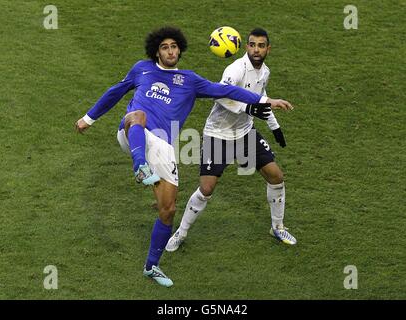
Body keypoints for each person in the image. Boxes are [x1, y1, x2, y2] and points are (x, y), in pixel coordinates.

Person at [75, 26, 293, 288]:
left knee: (167, 210)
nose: (170, 51)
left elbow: (226, 91)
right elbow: (115, 92)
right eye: (165, 47)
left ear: (180, 50)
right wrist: (89, 118)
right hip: (134, 133)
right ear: (156, 50)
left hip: (162, 147)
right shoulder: (141, 69)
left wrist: (265, 100)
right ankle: (139, 166)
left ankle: (151, 266)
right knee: (137, 116)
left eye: (174, 47)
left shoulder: (189, 80)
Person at [165, 28, 297, 253]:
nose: (256, 49)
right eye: (252, 45)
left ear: (268, 49)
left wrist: (275, 127)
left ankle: (277, 226)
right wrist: (250, 107)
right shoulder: (235, 69)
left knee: (276, 176)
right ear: (245, 46)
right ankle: (181, 232)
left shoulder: (264, 72)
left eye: (261, 45)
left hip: (245, 133)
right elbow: (221, 96)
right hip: (218, 135)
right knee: (206, 189)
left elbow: (261, 97)